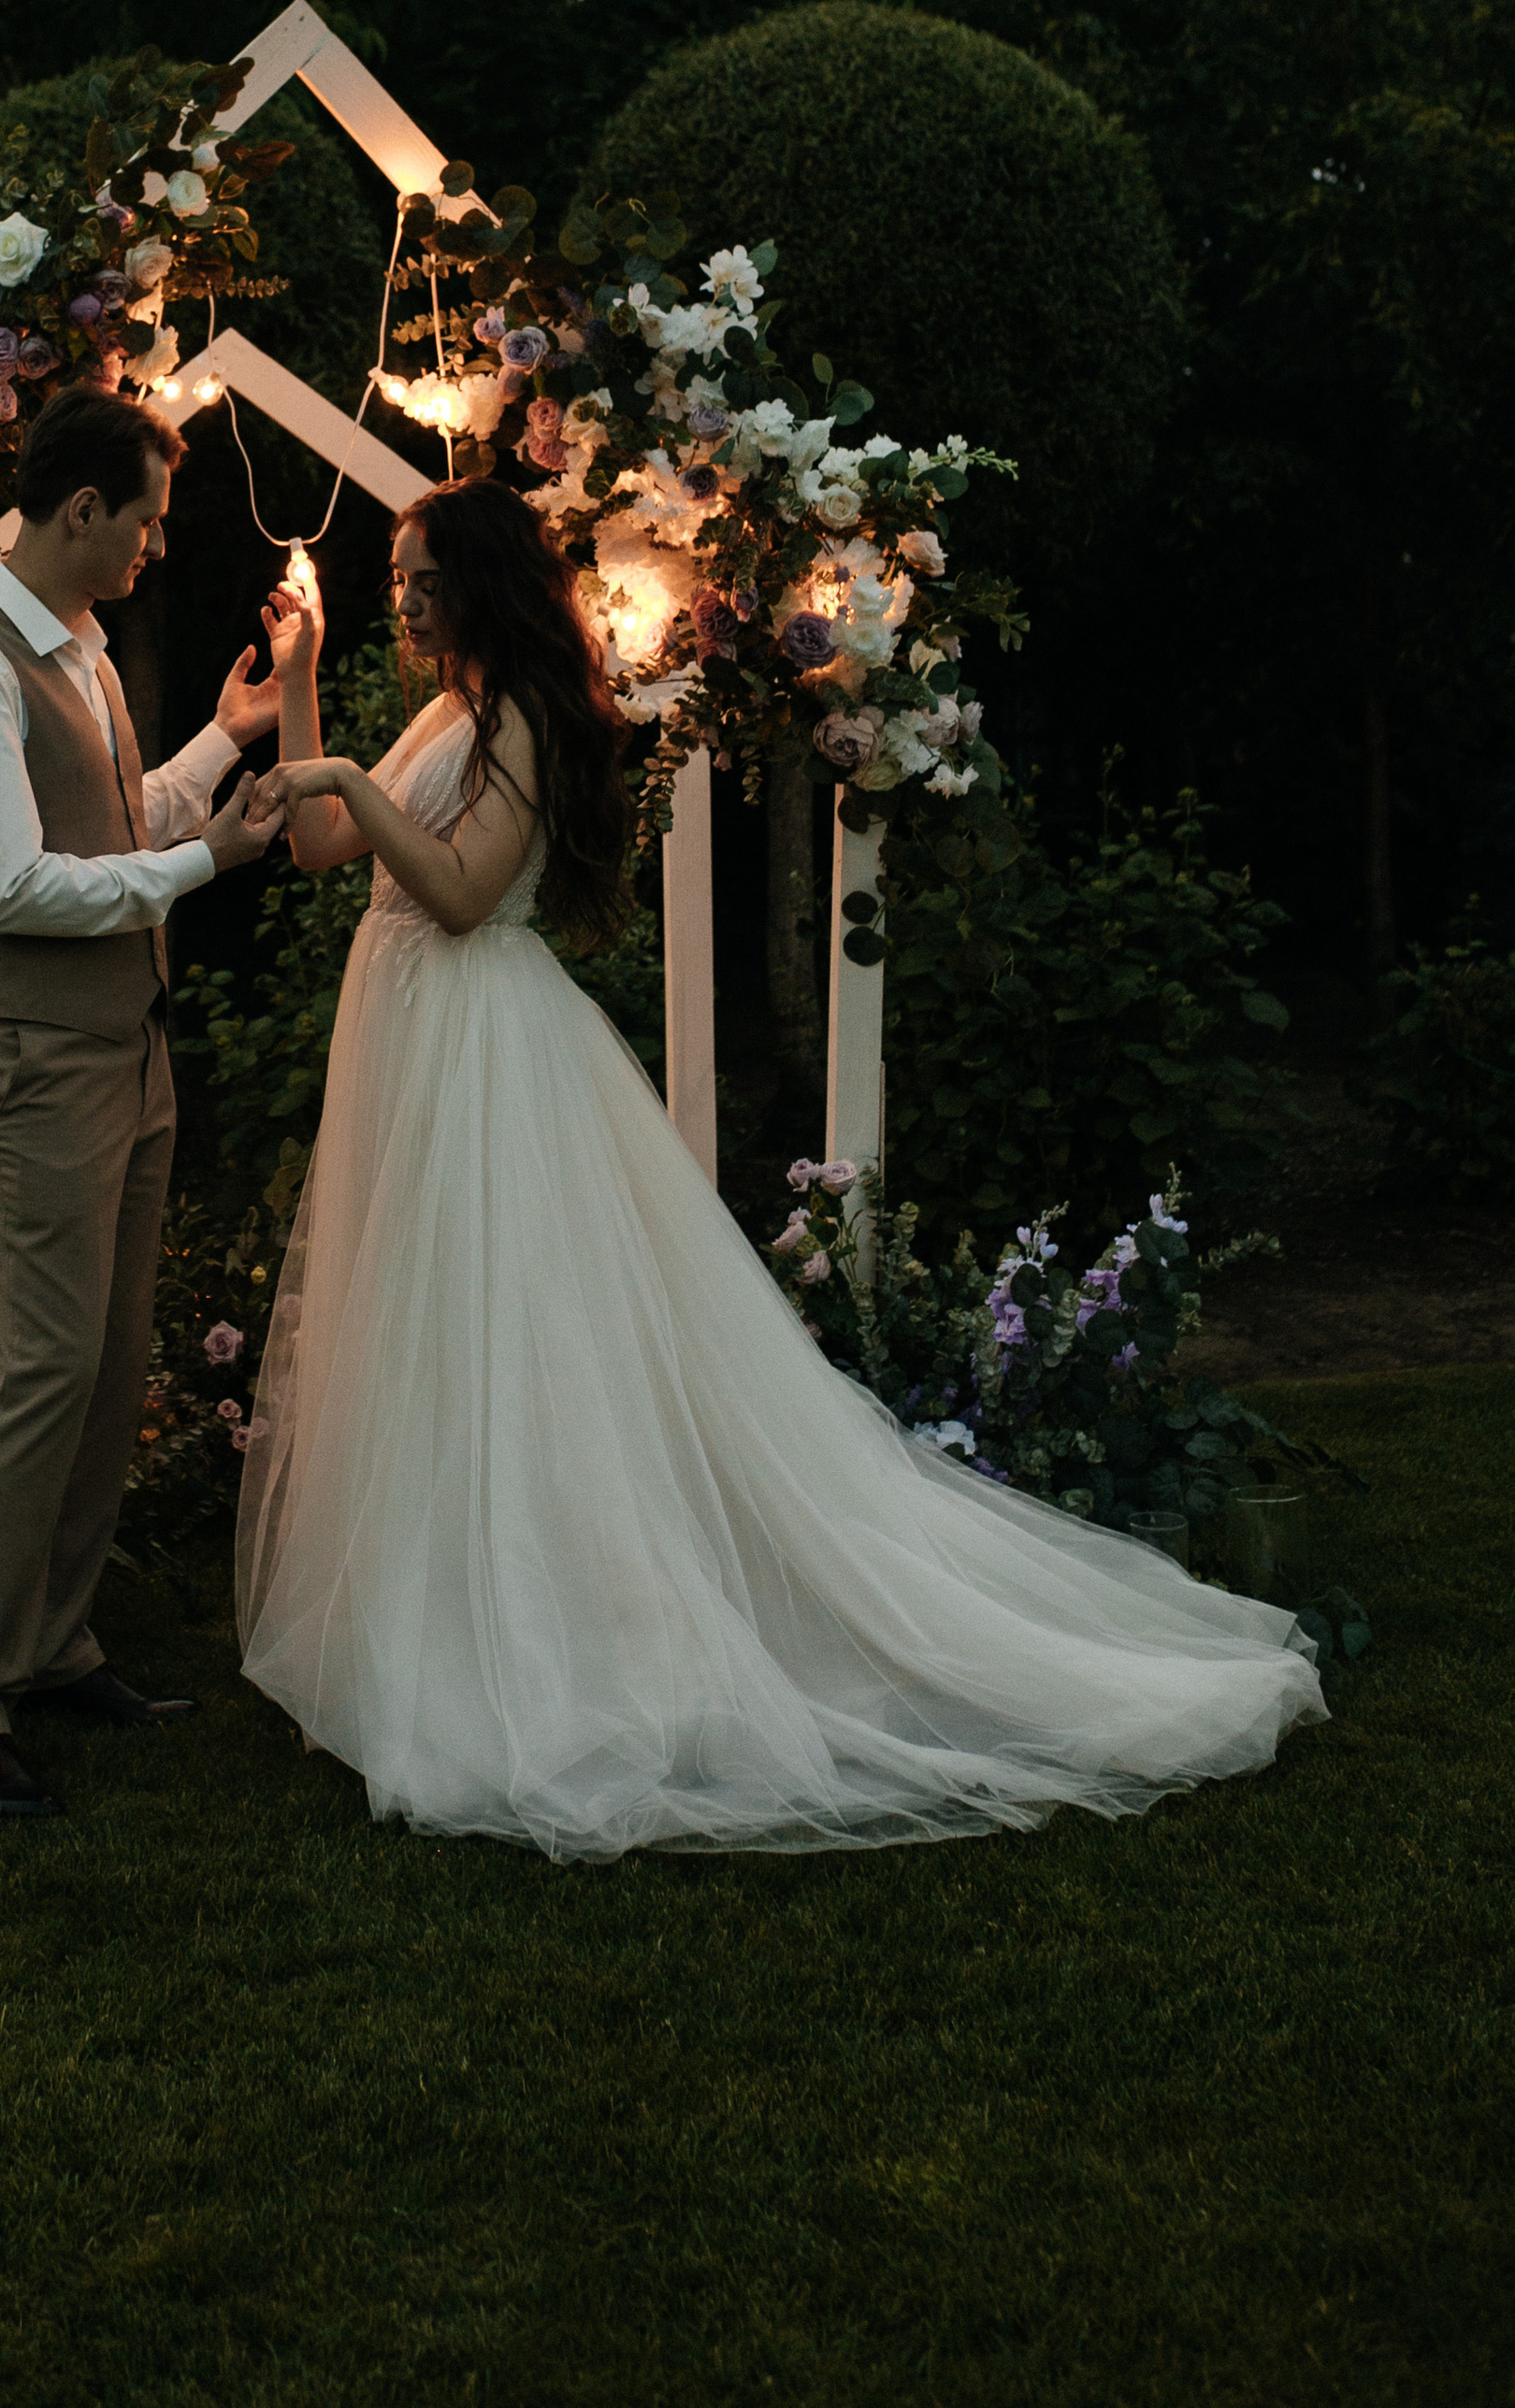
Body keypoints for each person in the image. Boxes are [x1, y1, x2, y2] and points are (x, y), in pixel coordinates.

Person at [237, 479, 1325, 1861]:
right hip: (404, 1041)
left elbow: (456, 894)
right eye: (397, 579)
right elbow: (331, 843)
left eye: (422, 578)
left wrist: (339, 785)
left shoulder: (525, 712)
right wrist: (303, 689)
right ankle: (419, 1623)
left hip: (482, 1043)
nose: (405, 599)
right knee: (420, 1334)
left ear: (486, 582)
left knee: (510, 1335)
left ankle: (552, 1639)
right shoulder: (451, 708)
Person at [0, 382, 285, 1817]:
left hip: (126, 1052)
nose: (156, 546)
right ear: (81, 513)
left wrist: (225, 742)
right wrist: (206, 871)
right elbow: (10, 886)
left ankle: (53, 1646)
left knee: (111, 1366)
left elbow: (117, 830)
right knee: (46, 1370)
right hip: (26, 1064)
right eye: (148, 520)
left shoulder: (86, 654)